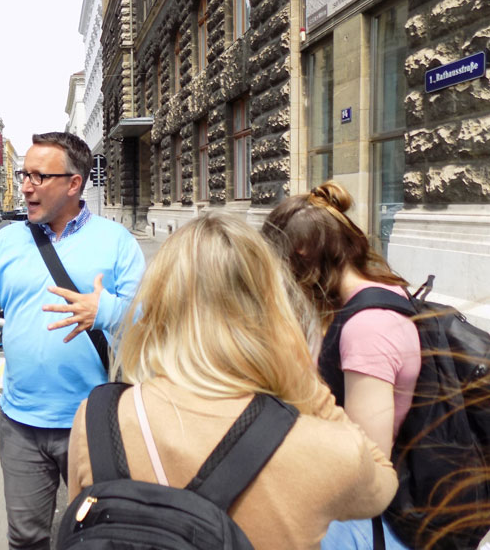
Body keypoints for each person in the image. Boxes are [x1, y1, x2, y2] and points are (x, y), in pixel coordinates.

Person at [66, 212, 399, 548]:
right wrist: (304, 377)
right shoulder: (321, 448)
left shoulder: (95, 419)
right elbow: (382, 486)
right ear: (272, 309)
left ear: (158, 308)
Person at [0, 131, 145, 548]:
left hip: (96, 423)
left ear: (73, 183)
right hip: (21, 425)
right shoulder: (6, 242)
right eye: (23, 173)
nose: (25, 185)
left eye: (38, 176)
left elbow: (149, 321)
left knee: (100, 538)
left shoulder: (116, 241)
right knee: (26, 539)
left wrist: (105, 312)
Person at [263, 181, 419, 548]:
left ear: (301, 253)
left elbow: (365, 458)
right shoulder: (376, 293)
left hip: (370, 523)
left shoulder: (368, 327)